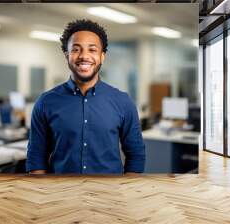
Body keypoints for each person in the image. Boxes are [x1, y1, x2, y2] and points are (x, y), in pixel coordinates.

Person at [26, 19, 145, 174]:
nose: (84, 56)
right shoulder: (45, 102)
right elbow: (36, 158)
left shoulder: (123, 101)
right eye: (76, 49)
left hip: (110, 194)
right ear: (66, 54)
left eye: (92, 50)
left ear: (102, 56)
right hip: (60, 193)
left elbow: (136, 156)